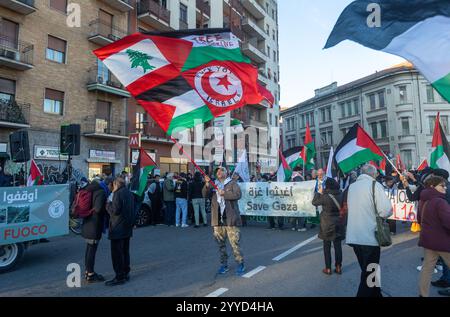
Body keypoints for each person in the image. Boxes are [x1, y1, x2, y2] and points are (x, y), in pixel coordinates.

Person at [346, 164, 393, 297]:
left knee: (369, 270)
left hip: (354, 236)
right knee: (370, 272)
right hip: (369, 236)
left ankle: (377, 294)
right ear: (373, 174)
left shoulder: (352, 186)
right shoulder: (374, 185)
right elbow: (385, 210)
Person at [203, 167, 245, 275]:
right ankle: (224, 264)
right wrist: (207, 184)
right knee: (220, 244)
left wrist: (224, 194)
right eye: (217, 171)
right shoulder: (213, 184)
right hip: (217, 219)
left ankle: (240, 263)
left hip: (230, 218)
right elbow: (205, 195)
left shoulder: (232, 183)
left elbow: (238, 195)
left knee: (234, 243)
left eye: (221, 170)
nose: (219, 172)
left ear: (226, 173)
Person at [417, 176, 450, 297]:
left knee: (427, 269)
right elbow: (448, 221)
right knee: (427, 268)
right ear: (432, 186)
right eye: (442, 185)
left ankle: (422, 294)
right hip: (443, 241)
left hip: (428, 241)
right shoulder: (440, 201)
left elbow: (419, 219)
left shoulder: (423, 200)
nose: (445, 187)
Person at [312, 178, 345, 275]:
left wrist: (318, 192)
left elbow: (314, 202)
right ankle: (338, 267)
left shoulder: (325, 196)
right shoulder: (341, 194)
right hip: (339, 222)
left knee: (327, 246)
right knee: (338, 246)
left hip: (327, 223)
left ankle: (328, 268)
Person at [106, 177, 134, 286]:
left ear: (116, 184)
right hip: (126, 227)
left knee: (117, 254)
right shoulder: (129, 193)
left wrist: (108, 204)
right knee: (125, 252)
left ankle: (119, 276)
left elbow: (115, 211)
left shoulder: (117, 194)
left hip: (118, 228)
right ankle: (126, 272)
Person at [81, 178, 107, 283]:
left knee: (88, 249)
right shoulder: (100, 192)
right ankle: (91, 274)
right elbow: (98, 208)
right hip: (94, 224)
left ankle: (87, 272)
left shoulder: (88, 189)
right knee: (92, 250)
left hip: (87, 223)